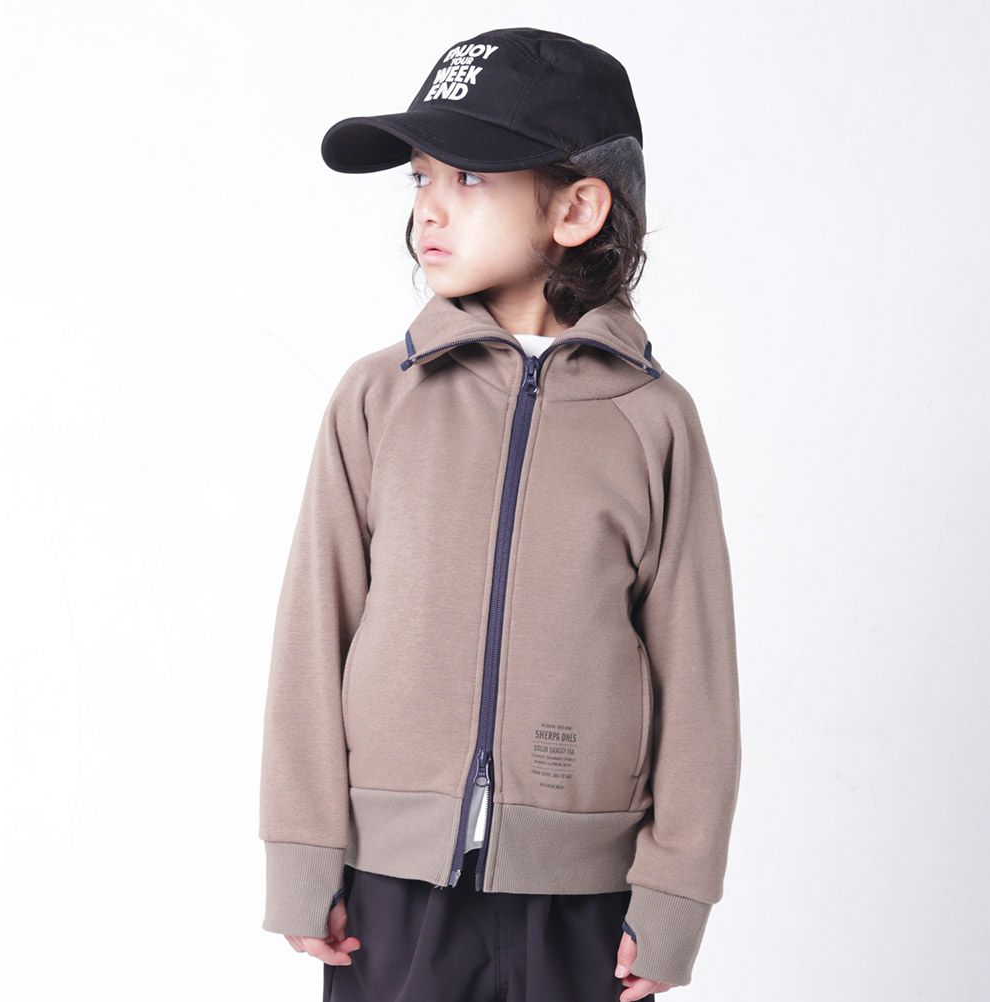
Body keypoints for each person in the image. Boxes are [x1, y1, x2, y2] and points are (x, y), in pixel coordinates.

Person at [259, 25, 741, 1002]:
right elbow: (314, 630)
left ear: (577, 207)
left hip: (585, 903)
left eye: (469, 177)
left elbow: (697, 677)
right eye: (421, 177)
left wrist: (675, 893)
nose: (428, 207)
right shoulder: (378, 399)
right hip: (390, 888)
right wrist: (303, 851)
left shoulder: (653, 421)